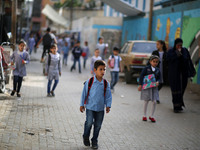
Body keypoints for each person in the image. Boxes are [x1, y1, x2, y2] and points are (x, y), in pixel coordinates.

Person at [80, 60, 112, 149]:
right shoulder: (90, 82)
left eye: (104, 70)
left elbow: (108, 95)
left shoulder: (106, 83)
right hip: (90, 107)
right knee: (89, 123)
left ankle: (94, 141)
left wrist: (108, 105)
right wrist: (82, 104)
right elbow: (84, 93)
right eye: (100, 69)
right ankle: (86, 136)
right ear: (95, 70)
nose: (103, 72)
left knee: (98, 126)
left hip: (100, 109)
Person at [167, 38, 196, 113]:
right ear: (175, 45)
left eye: (181, 45)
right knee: (175, 90)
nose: (179, 47)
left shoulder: (185, 50)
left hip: (183, 74)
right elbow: (169, 60)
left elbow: (188, 60)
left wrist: (192, 70)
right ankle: (176, 106)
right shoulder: (171, 51)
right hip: (174, 74)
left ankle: (179, 105)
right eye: (178, 45)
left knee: (182, 89)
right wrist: (177, 53)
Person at [138, 55, 160, 122]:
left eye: (156, 62)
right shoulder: (146, 68)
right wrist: (140, 85)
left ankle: (152, 115)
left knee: (154, 101)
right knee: (146, 101)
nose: (155, 63)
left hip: (154, 88)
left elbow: (159, 77)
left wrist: (158, 82)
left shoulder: (157, 70)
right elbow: (141, 76)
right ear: (150, 61)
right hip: (147, 87)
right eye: (154, 61)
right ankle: (144, 115)